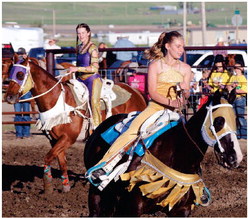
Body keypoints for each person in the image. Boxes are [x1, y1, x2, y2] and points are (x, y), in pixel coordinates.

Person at [87, 31, 192, 182]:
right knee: (132, 131)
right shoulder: (156, 65)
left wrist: (184, 91)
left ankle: (194, 177)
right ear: (168, 46)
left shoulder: (186, 69)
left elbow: (186, 96)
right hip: (155, 108)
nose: (181, 50)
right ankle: (105, 165)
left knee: (190, 141)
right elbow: (153, 92)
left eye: (183, 46)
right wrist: (171, 102)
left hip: (175, 112)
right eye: (178, 46)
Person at [68, 23, 102, 129]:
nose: (81, 35)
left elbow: (95, 68)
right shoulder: (79, 47)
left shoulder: (93, 48)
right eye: (79, 33)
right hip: (80, 79)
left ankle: (98, 127)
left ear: (88, 33)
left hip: (92, 80)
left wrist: (77, 69)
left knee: (94, 102)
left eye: (83, 33)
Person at [14, 47, 32, 139]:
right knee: (17, 113)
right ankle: (19, 133)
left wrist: (27, 59)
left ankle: (26, 133)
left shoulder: (29, 64)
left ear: (25, 54)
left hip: (26, 92)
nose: (20, 56)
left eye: (22, 54)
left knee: (26, 113)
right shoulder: (16, 64)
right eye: (19, 54)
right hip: (17, 92)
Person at [227, 61, 247, 139]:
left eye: (238, 68)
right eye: (235, 68)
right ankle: (238, 134)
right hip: (233, 99)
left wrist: (234, 89)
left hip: (240, 99)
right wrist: (231, 87)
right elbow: (228, 86)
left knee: (240, 117)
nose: (236, 69)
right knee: (234, 117)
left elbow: (245, 89)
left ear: (241, 68)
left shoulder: (243, 78)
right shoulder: (232, 77)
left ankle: (245, 134)